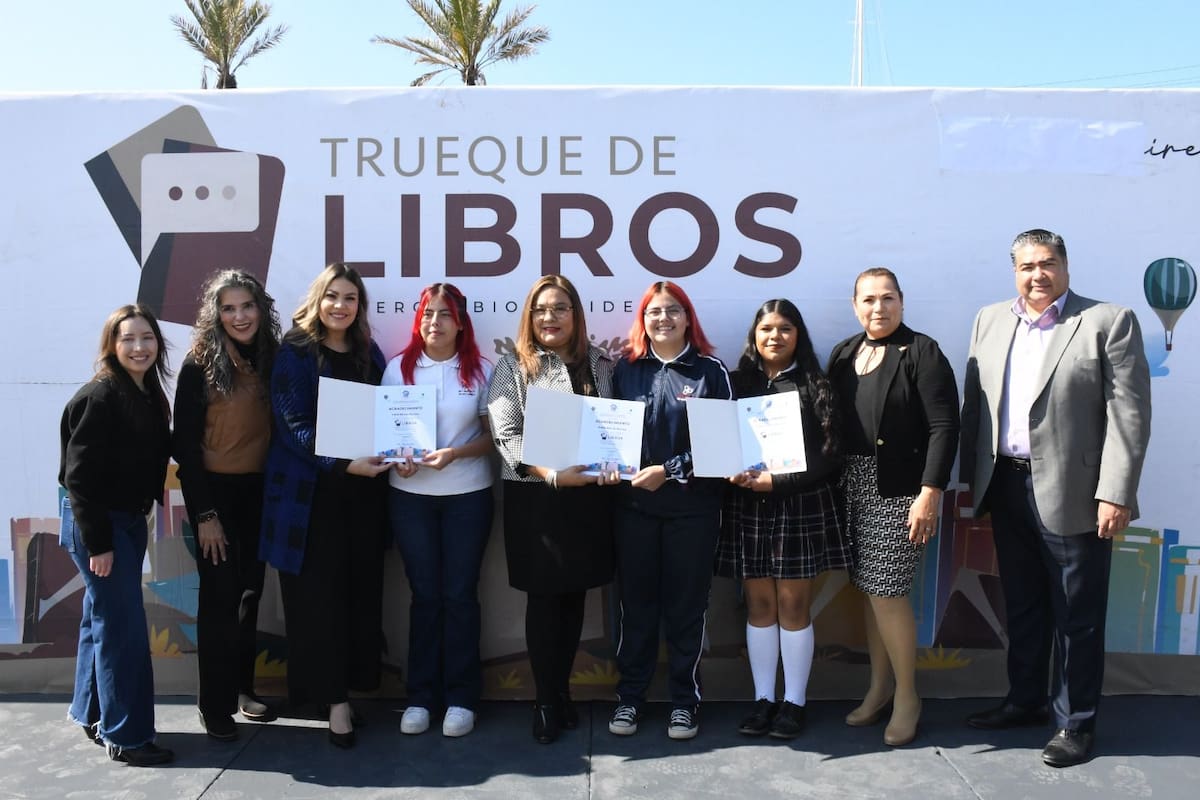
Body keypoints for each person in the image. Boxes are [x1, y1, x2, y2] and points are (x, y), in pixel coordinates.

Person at [960, 229, 1152, 768]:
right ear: (1014, 272)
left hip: (1076, 492)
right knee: (1023, 605)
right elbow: (975, 405)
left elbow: (1129, 416)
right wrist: (970, 483)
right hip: (1005, 484)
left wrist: (1115, 493)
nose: (1037, 275)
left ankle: (1075, 723)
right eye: (1027, 266)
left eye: (1047, 264)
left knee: (1076, 614)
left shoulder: (1107, 321)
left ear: (1065, 267)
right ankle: (1024, 701)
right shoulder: (989, 320)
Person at [259, 263, 392, 749]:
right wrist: (342, 464)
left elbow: (387, 413)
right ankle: (334, 703)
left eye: (350, 298)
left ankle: (344, 691)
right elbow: (293, 426)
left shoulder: (368, 352)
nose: (340, 305)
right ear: (317, 299)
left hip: (363, 499)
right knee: (320, 604)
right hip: (311, 501)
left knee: (359, 599)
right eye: (332, 296)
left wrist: (399, 449)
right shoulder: (295, 352)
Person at [827, 267, 959, 747]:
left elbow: (944, 426)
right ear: (854, 305)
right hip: (852, 485)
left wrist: (930, 491)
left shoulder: (922, 351)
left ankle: (907, 697)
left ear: (902, 301)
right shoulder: (843, 353)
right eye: (868, 299)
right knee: (868, 590)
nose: (878, 308)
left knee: (887, 592)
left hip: (900, 491)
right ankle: (879, 687)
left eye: (887, 298)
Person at [487, 275, 617, 745]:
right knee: (543, 601)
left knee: (574, 597)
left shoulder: (601, 363)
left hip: (588, 499)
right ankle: (544, 701)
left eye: (560, 308)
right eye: (541, 309)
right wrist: (554, 475)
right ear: (529, 316)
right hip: (535, 498)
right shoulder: (513, 365)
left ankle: (562, 692)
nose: (550, 317)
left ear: (575, 315)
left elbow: (614, 426)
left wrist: (612, 462)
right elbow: (506, 436)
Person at [715, 299, 851, 740]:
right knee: (759, 607)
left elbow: (831, 457)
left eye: (785, 328)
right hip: (748, 506)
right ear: (754, 335)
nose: (775, 336)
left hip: (799, 505)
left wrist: (778, 481)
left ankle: (794, 702)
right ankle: (763, 700)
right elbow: (718, 443)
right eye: (767, 328)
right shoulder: (737, 384)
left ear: (798, 335)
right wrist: (730, 469)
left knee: (793, 607)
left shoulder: (815, 385)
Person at [609, 281, 732, 741]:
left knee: (686, 608)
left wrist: (670, 470)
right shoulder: (625, 369)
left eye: (673, 310)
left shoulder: (710, 372)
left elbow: (722, 445)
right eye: (654, 311)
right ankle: (630, 698)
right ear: (642, 320)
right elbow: (606, 434)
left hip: (692, 511)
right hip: (634, 510)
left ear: (687, 318)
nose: (663, 319)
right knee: (636, 608)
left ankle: (684, 702)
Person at [58, 304, 174, 766]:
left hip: (126, 519)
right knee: (122, 629)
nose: (139, 347)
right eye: (128, 339)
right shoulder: (100, 396)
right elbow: (79, 479)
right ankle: (127, 736)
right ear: (112, 345)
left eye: (147, 337)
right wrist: (100, 544)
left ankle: (91, 713)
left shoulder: (146, 393)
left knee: (101, 618)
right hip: (100, 524)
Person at [383, 283, 495, 738]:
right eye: (428, 313)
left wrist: (455, 454)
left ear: (461, 322)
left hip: (468, 494)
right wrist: (398, 458)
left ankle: (462, 698)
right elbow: (387, 433)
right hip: (410, 498)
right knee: (425, 595)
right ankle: (421, 697)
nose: (435, 322)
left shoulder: (482, 369)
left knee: (460, 595)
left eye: (445, 314)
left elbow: (493, 439)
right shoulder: (398, 369)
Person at [174, 269, 281, 741]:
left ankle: (243, 690)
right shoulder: (198, 364)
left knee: (249, 594)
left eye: (247, 306)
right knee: (219, 600)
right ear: (215, 315)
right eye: (228, 308)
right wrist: (205, 515)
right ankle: (214, 705)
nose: (239, 317)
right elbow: (184, 447)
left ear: (261, 308)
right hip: (214, 495)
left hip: (260, 492)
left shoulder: (273, 357)